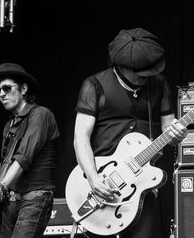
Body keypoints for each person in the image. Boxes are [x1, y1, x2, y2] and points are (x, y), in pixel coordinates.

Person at [73, 28, 187, 238]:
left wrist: (177, 136)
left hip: (141, 183)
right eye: (140, 72)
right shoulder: (95, 85)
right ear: (121, 66)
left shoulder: (159, 84)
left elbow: (168, 130)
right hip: (103, 180)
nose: (146, 77)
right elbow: (81, 137)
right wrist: (93, 178)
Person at [0, 63, 60, 238]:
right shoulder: (9, 125)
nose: (1, 94)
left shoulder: (41, 115)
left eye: (6, 88)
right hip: (10, 201)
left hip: (34, 199)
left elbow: (24, 157)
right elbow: (5, 167)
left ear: (23, 89)